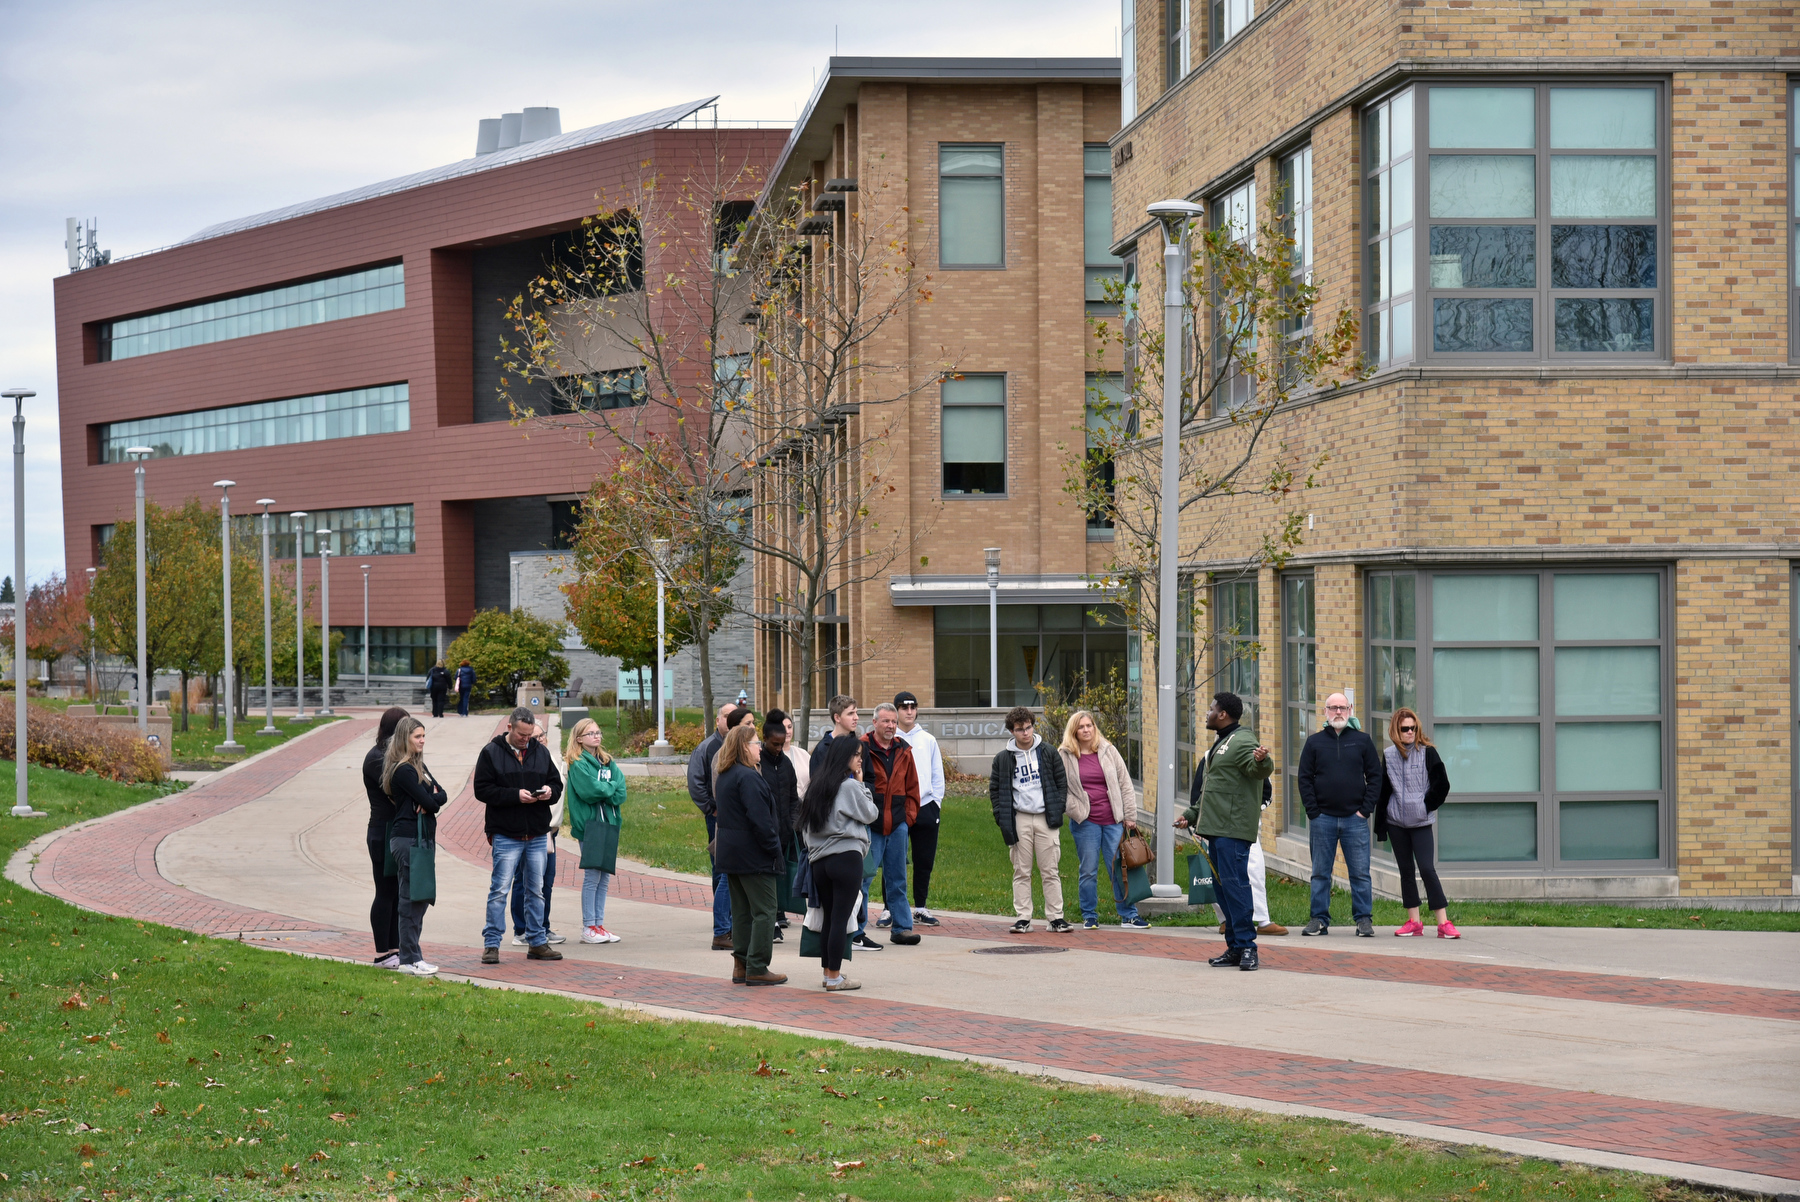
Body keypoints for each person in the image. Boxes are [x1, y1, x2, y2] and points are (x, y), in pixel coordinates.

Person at [1176, 692, 1274, 970]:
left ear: (1222, 714)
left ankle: (1248, 948)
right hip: (1217, 829)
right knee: (1223, 890)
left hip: (1233, 830)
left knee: (1236, 888)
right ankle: (1234, 947)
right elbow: (1213, 791)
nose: (1206, 713)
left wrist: (1262, 761)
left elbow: (1258, 770)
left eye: (1210, 709)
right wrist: (1190, 815)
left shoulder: (1243, 740)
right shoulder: (1223, 741)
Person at [475, 706, 564, 964]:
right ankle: (491, 944)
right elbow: (482, 790)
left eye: (530, 735)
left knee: (536, 889)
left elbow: (557, 784)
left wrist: (549, 791)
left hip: (536, 832)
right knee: (499, 889)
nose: (526, 740)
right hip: (506, 833)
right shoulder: (491, 753)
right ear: (510, 728)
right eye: (521, 735)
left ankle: (537, 941)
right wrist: (515, 795)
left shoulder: (540, 752)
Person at [1297, 691, 1381, 937]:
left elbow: (1375, 777)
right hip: (1323, 819)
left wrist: (1364, 811)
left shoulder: (1362, 741)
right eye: (1333, 708)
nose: (1338, 712)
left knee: (1360, 873)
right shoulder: (1314, 742)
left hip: (1355, 820)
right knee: (1320, 873)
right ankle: (1318, 919)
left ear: (1350, 710)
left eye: (1342, 708)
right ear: (1325, 712)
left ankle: (1363, 920)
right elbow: (1304, 779)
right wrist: (1313, 812)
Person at [798, 735, 878, 991]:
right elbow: (870, 814)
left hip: (820, 861)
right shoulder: (849, 786)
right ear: (844, 757)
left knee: (830, 918)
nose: (859, 760)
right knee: (840, 919)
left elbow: (805, 828)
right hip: (846, 858)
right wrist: (861, 783)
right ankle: (835, 977)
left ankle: (828, 973)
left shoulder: (816, 786)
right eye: (856, 755)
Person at [1056, 709, 1146, 931]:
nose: (1086, 730)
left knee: (1119, 868)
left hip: (1113, 820)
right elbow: (1060, 788)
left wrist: (1130, 816)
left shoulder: (1108, 750)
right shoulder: (1065, 754)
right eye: (1081, 726)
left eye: (1090, 725)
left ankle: (1129, 915)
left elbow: (1125, 783)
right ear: (1074, 731)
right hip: (1085, 822)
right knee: (1088, 870)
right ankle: (1089, 915)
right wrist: (1076, 810)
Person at [713, 723, 786, 985]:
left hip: (731, 854)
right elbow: (761, 821)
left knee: (742, 911)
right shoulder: (748, 777)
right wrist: (773, 849)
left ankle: (741, 965)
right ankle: (757, 966)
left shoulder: (726, 774)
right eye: (756, 743)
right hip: (754, 855)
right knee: (766, 910)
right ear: (745, 746)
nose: (759, 747)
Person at [1376, 707, 1459, 938]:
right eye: (1405, 729)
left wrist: (1426, 806)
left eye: (1413, 728)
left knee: (1426, 868)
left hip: (1421, 822)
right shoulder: (1389, 755)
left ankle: (1443, 923)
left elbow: (1442, 784)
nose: (1410, 732)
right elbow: (1384, 791)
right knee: (1406, 871)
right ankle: (1414, 922)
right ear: (1396, 730)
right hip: (1396, 823)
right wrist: (1381, 825)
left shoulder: (1428, 752)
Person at [1190, 741, 1288, 938]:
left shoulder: (1251, 761)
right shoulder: (1209, 758)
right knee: (1219, 875)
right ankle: (1227, 920)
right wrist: (1196, 823)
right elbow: (1198, 794)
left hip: (1245, 827)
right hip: (1215, 827)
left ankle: (1263, 920)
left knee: (1255, 871)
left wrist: (1250, 812)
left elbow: (1266, 793)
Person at [990, 707, 1071, 934]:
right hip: (1020, 817)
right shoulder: (1003, 759)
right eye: (1019, 729)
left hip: (1046, 817)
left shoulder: (1048, 752)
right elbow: (995, 791)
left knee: (1050, 870)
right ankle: (1023, 917)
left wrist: (1058, 807)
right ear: (1011, 731)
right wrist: (1002, 817)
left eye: (1028, 727)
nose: (1025, 733)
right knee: (1022, 870)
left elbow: (1061, 782)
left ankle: (1056, 918)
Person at [381, 716, 448, 977]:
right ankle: (409, 959)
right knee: (411, 900)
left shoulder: (419, 767)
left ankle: (412, 956)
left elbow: (441, 795)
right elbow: (432, 804)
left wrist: (431, 797)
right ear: (404, 739)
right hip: (408, 838)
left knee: (419, 898)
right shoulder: (404, 770)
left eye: (423, 736)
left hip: (419, 839)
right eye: (417, 737)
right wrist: (430, 798)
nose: (422, 741)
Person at [859, 702, 921, 946]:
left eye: (893, 722)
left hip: (897, 826)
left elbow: (913, 788)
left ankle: (902, 928)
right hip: (870, 825)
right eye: (885, 721)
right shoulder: (862, 748)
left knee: (897, 879)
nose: (890, 726)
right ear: (874, 722)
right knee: (863, 879)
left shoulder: (904, 750)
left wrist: (908, 818)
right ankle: (856, 930)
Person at [564, 717, 625, 944]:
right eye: (591, 733)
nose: (597, 736)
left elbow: (621, 791)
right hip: (590, 826)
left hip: (610, 823)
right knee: (592, 876)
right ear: (579, 739)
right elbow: (590, 791)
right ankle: (588, 926)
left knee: (604, 876)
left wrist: (607, 789)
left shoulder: (608, 761)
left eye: (598, 732)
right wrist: (608, 789)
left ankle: (599, 924)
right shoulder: (578, 763)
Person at [688, 704, 742, 950]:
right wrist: (711, 808)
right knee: (721, 869)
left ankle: (726, 917)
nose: (731, 721)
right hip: (718, 816)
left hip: (734, 816)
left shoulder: (741, 744)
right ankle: (722, 923)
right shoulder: (708, 747)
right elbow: (696, 781)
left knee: (724, 869)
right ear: (718, 720)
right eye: (727, 717)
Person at [361, 706, 410, 968]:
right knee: (384, 892)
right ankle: (382, 952)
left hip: (397, 829)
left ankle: (394, 949)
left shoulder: (397, 755)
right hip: (383, 831)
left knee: (395, 893)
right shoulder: (376, 758)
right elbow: (401, 792)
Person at [891, 691, 944, 927]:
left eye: (913, 707)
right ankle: (888, 909)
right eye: (904, 707)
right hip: (898, 808)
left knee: (924, 859)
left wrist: (935, 804)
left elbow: (937, 775)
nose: (909, 711)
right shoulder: (891, 740)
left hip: (925, 807)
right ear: (896, 711)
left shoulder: (928, 740)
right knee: (894, 858)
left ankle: (920, 907)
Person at [510, 720, 565, 946]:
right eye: (533, 738)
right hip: (530, 831)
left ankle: (542, 926)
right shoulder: (524, 759)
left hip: (550, 829)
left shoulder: (553, 760)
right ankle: (522, 930)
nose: (538, 741)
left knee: (546, 882)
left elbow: (558, 789)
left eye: (540, 736)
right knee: (524, 881)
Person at [759, 712, 800, 941]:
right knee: (767, 880)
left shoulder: (785, 764)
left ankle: (779, 913)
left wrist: (794, 823)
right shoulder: (758, 764)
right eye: (774, 744)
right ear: (764, 739)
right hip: (766, 833)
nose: (778, 748)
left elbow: (793, 797)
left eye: (782, 743)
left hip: (785, 832)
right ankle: (772, 923)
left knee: (781, 877)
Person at [810, 694, 860, 770]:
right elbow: (818, 780)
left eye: (856, 713)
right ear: (837, 718)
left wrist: (860, 781)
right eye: (850, 713)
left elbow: (870, 777)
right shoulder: (823, 749)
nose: (856, 717)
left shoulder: (859, 745)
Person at [780, 711, 811, 797]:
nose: (787, 731)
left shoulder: (803, 754)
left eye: (789, 727)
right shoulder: (770, 756)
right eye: (783, 727)